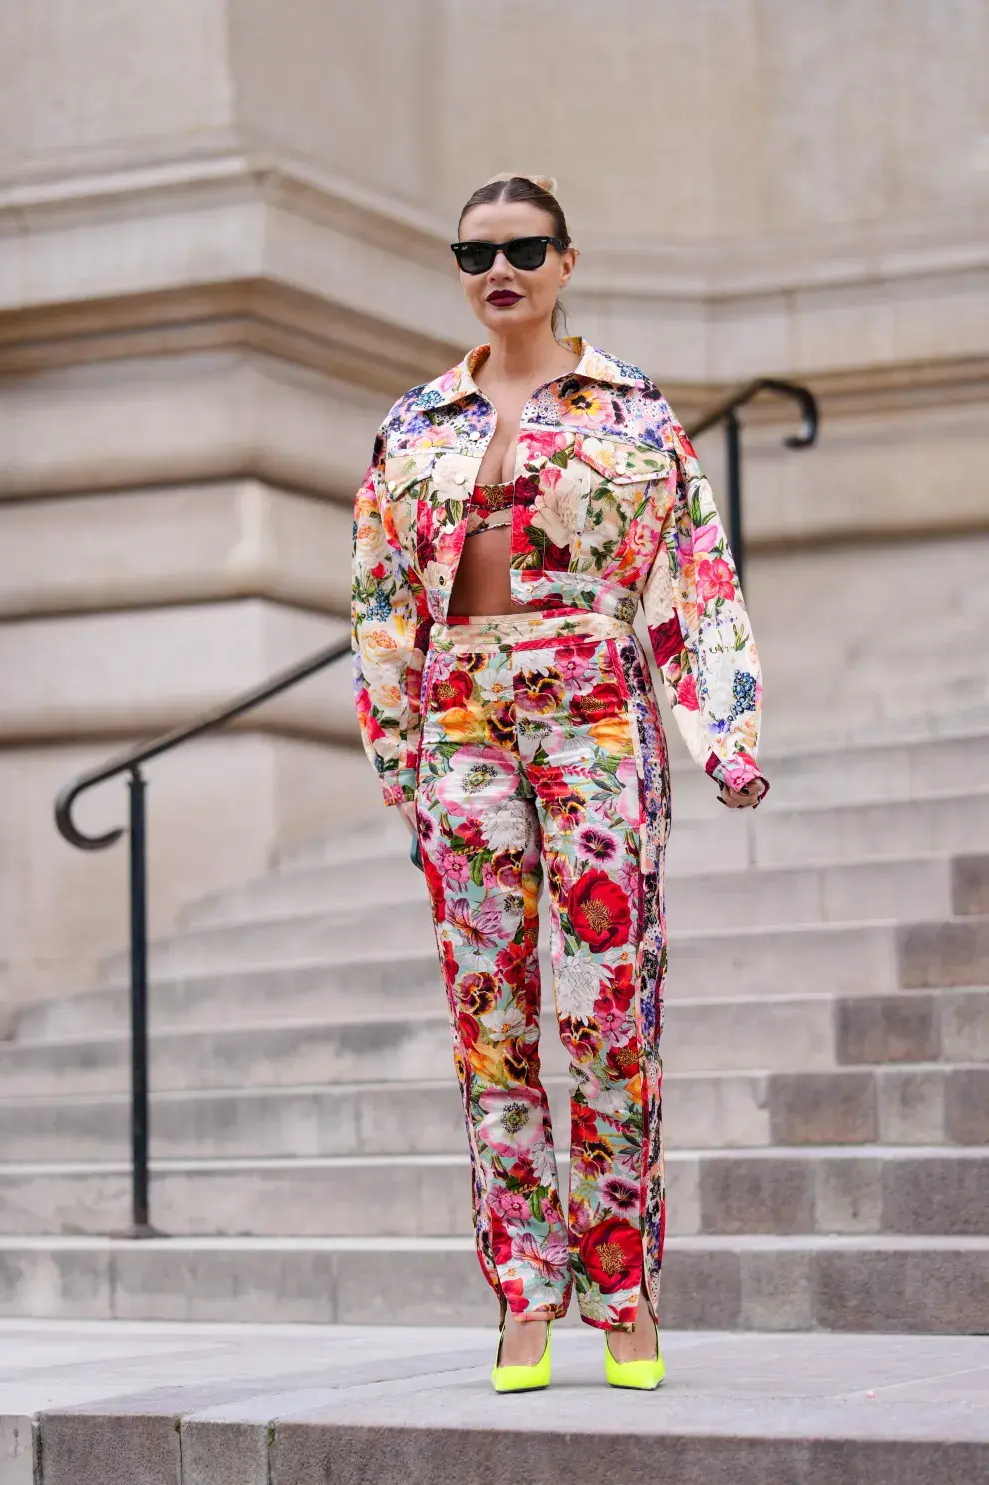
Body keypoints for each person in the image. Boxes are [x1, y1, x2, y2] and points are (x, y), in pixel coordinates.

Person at [351, 172, 768, 1392]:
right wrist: (399, 751)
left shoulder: (635, 411)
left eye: (527, 249)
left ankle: (624, 1292)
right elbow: (381, 602)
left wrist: (724, 732)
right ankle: (524, 1298)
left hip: (592, 697)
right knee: (489, 1015)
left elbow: (698, 573)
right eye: (478, 251)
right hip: (463, 718)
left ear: (568, 262)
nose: (503, 270)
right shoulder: (414, 424)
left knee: (609, 1005)